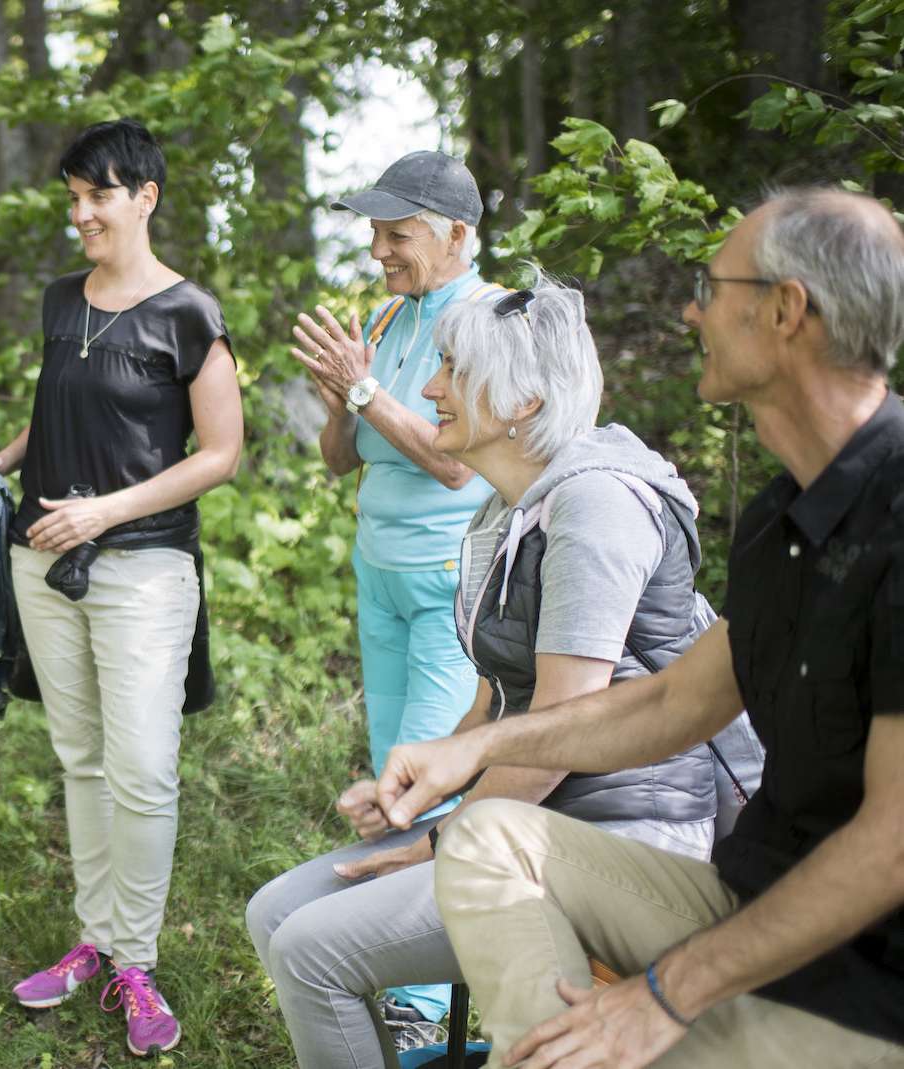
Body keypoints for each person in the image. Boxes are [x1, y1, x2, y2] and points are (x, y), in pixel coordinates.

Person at [377, 187, 904, 1068]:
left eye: (713, 284)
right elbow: (669, 700)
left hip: (867, 988)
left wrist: (666, 993)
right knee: (485, 836)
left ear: (785, 310)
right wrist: (471, 751)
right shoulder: (785, 516)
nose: (692, 308)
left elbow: (891, 847)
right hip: (741, 905)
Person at [246, 275, 731, 1068]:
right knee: (276, 912)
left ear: (523, 402)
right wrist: (423, 787)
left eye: (452, 372)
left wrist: (439, 842)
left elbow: (558, 733)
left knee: (311, 951)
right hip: (528, 828)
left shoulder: (597, 506)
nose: (429, 388)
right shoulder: (506, 507)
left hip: (620, 845)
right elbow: (496, 704)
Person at [0, 117, 243, 1058]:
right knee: (80, 758)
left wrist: (106, 512)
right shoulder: (57, 301)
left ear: (146, 198)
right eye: (73, 199)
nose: (81, 214)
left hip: (145, 569)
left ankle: (137, 961)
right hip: (41, 560)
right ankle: (95, 938)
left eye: (100, 196)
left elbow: (222, 454)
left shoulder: (188, 315)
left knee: (144, 768)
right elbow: (57, 419)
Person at [286, 151, 501, 1043]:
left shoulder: (485, 318)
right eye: (374, 232)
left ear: (456, 234)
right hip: (378, 569)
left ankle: (431, 1002)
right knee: (391, 770)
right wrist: (340, 401)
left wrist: (367, 388)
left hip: (451, 581)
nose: (378, 249)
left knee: (432, 779)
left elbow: (458, 459)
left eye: (397, 232)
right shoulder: (388, 312)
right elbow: (343, 460)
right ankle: (393, 977)